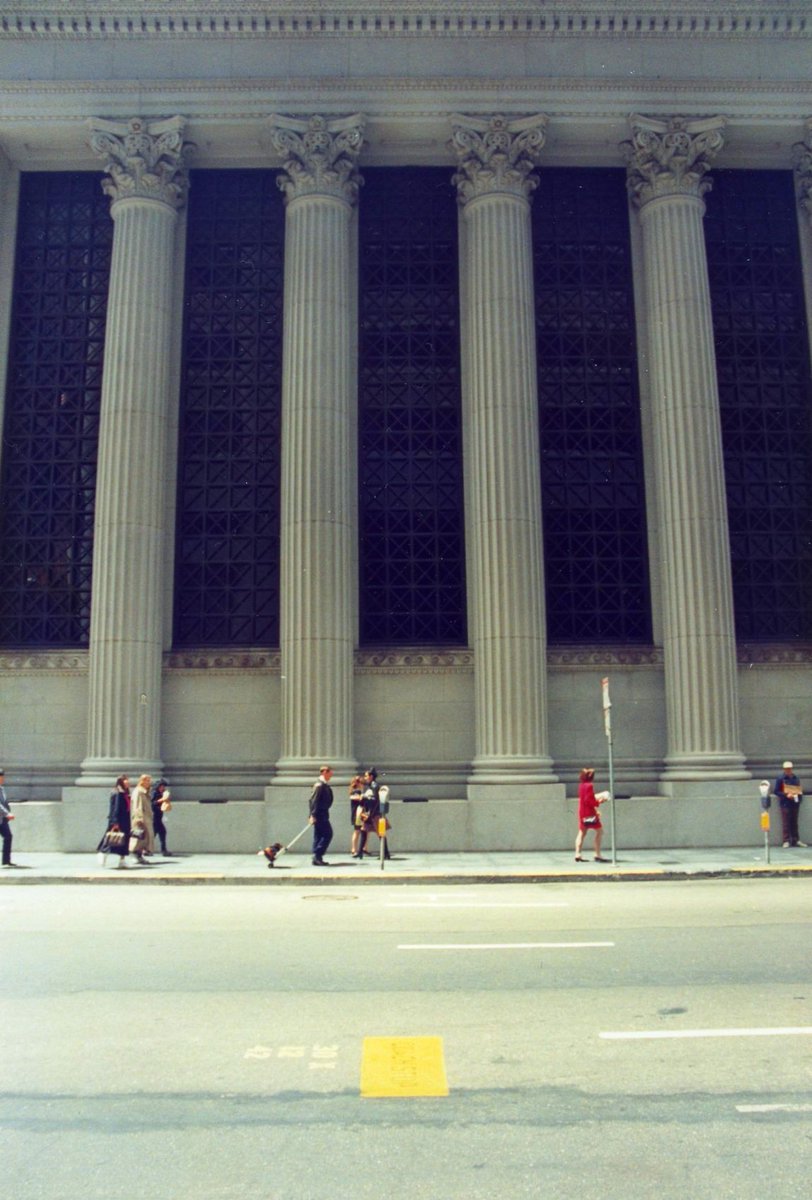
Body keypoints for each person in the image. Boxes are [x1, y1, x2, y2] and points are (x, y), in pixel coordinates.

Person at [575, 767, 609, 862]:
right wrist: (599, 802)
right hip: (590, 813)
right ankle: (597, 854)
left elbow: (585, 799)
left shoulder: (581, 786)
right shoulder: (589, 786)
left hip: (582, 813)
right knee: (599, 832)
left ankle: (578, 853)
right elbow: (589, 801)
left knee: (582, 833)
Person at [98, 774, 131, 869]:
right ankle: (103, 854)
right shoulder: (117, 793)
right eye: (125, 780)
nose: (128, 782)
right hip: (118, 820)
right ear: (121, 781)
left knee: (124, 841)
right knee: (110, 840)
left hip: (125, 821)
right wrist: (115, 822)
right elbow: (115, 809)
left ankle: (122, 860)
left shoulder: (125, 793)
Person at [773, 760, 806, 849]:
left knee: (794, 822)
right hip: (785, 803)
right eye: (787, 769)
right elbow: (776, 791)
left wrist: (797, 797)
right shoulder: (780, 779)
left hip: (795, 803)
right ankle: (786, 840)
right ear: (784, 769)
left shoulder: (795, 778)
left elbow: (799, 790)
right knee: (786, 822)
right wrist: (786, 795)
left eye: (789, 769)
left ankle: (796, 840)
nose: (788, 770)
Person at [309, 765, 334, 866]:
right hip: (320, 814)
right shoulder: (319, 785)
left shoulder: (323, 784)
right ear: (324, 772)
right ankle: (317, 854)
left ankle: (316, 857)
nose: (331, 774)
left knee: (319, 835)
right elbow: (314, 801)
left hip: (321, 813)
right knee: (328, 834)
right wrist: (312, 815)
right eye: (330, 772)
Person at [129, 773, 155, 863]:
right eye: (147, 780)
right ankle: (135, 855)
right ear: (142, 781)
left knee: (145, 838)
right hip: (141, 819)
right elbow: (137, 806)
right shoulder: (139, 792)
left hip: (146, 818)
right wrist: (138, 818)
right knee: (139, 838)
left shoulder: (145, 792)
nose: (149, 782)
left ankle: (139, 855)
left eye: (149, 780)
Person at [0, 768, 18, 869]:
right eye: (1, 776)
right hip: (2, 817)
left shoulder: (1, 789)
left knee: (8, 837)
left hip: (2, 819)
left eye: (2, 776)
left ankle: (6, 861)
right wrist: (7, 813)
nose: (2, 778)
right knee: (8, 837)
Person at [150, 778, 172, 856]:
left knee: (161, 833)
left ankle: (162, 850)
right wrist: (162, 799)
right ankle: (146, 849)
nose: (163, 788)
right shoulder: (154, 793)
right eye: (162, 786)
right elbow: (153, 803)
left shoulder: (161, 793)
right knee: (154, 834)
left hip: (158, 817)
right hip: (154, 817)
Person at [349, 774, 365, 856]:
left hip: (356, 814)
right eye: (362, 783)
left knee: (359, 831)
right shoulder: (357, 791)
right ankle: (354, 849)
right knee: (357, 831)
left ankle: (356, 849)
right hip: (358, 815)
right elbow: (358, 799)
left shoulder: (353, 791)